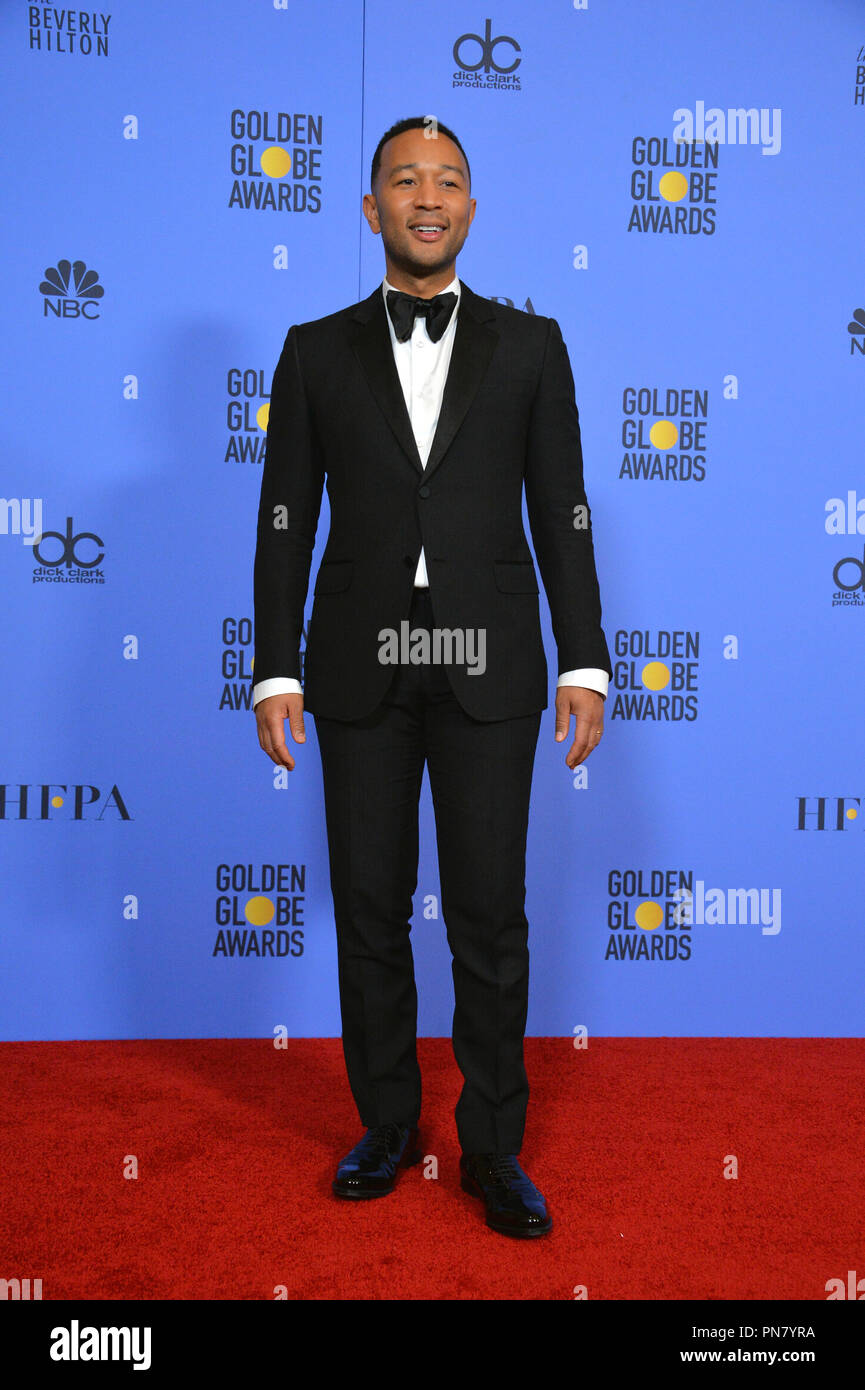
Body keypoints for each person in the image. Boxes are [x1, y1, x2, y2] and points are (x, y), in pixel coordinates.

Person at [253, 116, 611, 1238]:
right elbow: (283, 523)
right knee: (366, 905)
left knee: (489, 916)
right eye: (403, 179)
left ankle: (493, 1151)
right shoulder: (313, 350)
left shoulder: (532, 345)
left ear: (470, 208)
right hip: (357, 663)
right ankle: (386, 1126)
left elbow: (563, 511)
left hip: (487, 661)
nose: (425, 196)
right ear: (370, 209)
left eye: (447, 180)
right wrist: (273, 670)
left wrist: (585, 656)